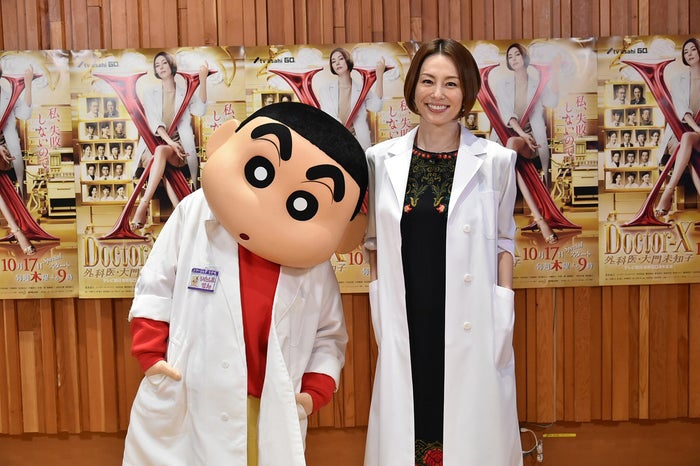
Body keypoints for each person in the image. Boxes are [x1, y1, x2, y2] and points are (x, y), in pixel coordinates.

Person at [122, 102, 368, 465]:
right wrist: (151, 355)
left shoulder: (313, 263)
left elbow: (329, 335)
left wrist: (313, 393)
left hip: (270, 404)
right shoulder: (195, 212)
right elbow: (156, 285)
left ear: (347, 233)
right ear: (224, 143)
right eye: (260, 171)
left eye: (303, 203)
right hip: (190, 391)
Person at [364, 38, 522, 466]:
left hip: (473, 320)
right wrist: (380, 298)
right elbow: (373, 241)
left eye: (451, 83)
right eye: (428, 81)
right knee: (407, 429)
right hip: (408, 319)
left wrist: (502, 308)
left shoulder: (495, 161)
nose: (438, 94)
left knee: (471, 440)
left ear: (466, 91)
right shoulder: (380, 160)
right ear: (413, 87)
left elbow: (504, 241)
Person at [491, 41, 561, 242]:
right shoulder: (502, 85)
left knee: (512, 149)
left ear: (524, 57)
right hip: (509, 136)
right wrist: (522, 134)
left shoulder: (537, 84)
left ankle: (498, 213)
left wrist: (556, 73)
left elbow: (552, 102)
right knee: (513, 152)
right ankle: (540, 220)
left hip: (532, 140)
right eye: (510, 56)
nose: (513, 59)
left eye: (517, 54)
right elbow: (507, 113)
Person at [130, 51, 209, 228]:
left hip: (179, 146)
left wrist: (203, 80)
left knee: (161, 157)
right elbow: (154, 122)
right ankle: (178, 214)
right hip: (154, 144)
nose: (161, 67)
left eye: (164, 63)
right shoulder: (150, 93)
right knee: (160, 154)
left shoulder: (184, 92)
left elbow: (200, 110)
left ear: (172, 65)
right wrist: (170, 142)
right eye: (157, 65)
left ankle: (143, 206)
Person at [655, 38, 700, 216]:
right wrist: (696, 128)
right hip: (682, 130)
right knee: (686, 142)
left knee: (688, 149)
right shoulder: (677, 80)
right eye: (685, 52)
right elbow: (682, 108)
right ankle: (669, 192)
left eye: (693, 49)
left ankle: (667, 193)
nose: (689, 54)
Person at [317, 47, 385, 151]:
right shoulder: (325, 90)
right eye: (333, 61)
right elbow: (329, 116)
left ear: (348, 60)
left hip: (359, 142)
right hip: (336, 140)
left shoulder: (362, 89)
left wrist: (379, 76)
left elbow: (377, 106)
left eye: (341, 59)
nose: (337, 63)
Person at [1, 65, 34, 197]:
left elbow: (25, 114)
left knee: (11, 195)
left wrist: (28, 84)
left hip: (8, 155)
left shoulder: (8, 96)